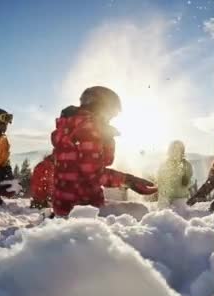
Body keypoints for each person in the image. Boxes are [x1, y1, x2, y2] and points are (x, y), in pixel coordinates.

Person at [50, 86, 157, 216]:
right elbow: (94, 175)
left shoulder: (67, 128)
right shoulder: (88, 128)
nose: (110, 119)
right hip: (84, 209)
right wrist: (129, 180)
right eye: (111, 114)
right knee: (141, 213)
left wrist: (106, 139)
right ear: (101, 107)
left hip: (63, 205)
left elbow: (96, 163)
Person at [156, 140, 193, 208]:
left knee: (180, 213)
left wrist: (186, 180)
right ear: (169, 151)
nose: (175, 152)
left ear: (182, 152)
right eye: (173, 150)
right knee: (163, 213)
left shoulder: (186, 165)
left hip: (180, 197)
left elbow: (189, 180)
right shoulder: (164, 164)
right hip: (166, 198)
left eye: (178, 150)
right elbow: (159, 180)